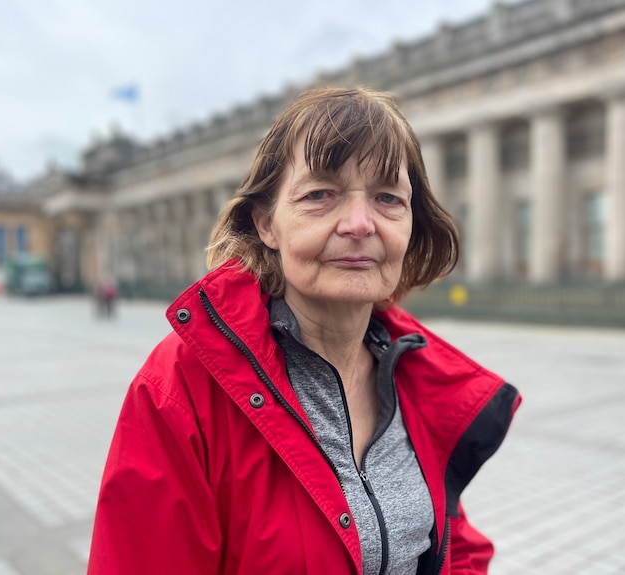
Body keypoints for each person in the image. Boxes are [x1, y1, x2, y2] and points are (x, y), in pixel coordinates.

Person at [87, 87, 521, 575]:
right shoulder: (181, 387)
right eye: (320, 195)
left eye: (387, 198)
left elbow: (452, 544)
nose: (360, 224)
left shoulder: (416, 373)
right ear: (267, 224)